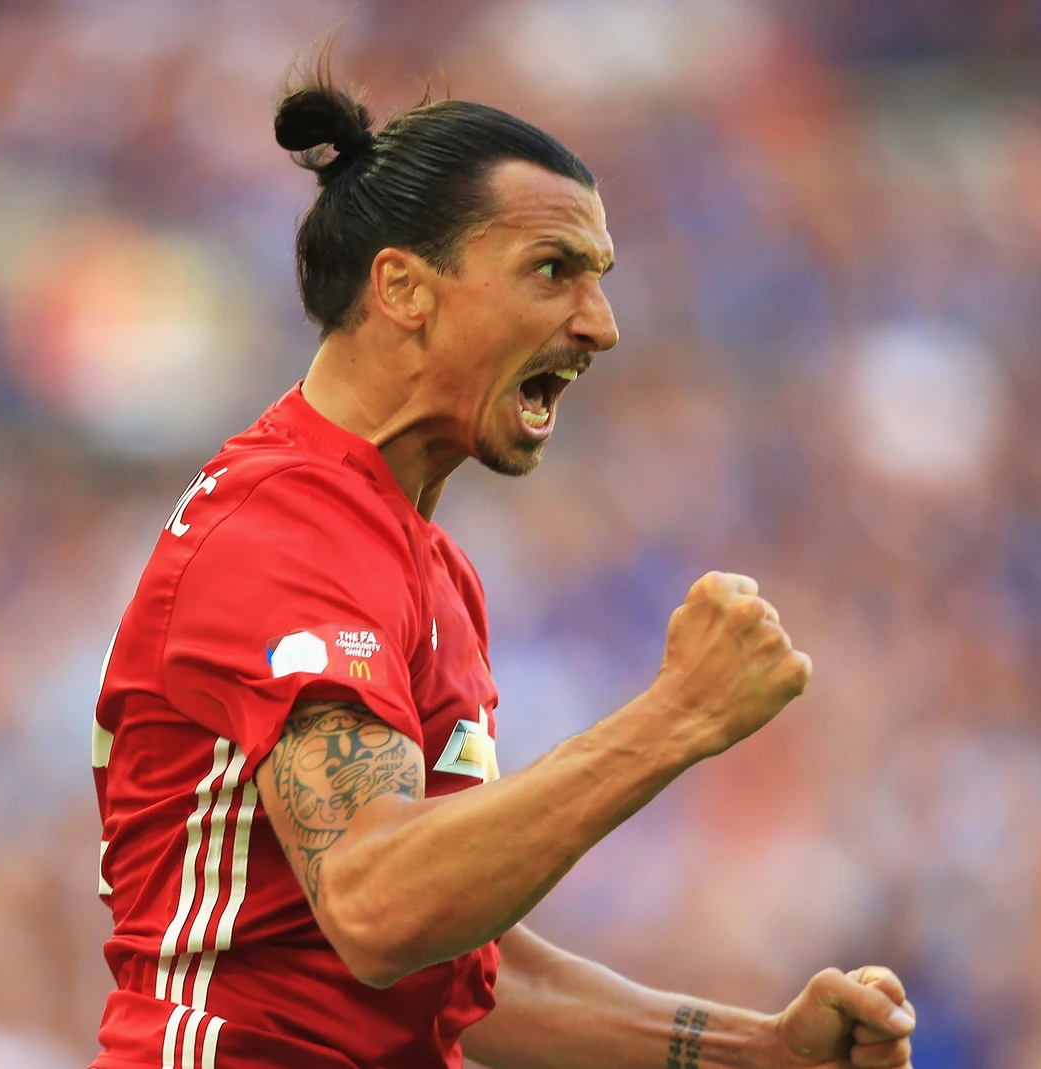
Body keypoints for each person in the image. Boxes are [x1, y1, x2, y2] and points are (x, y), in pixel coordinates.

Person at [88, 66, 916, 1069]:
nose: (601, 323)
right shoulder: (286, 526)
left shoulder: (422, 562)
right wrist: (678, 717)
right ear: (402, 288)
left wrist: (759, 1052)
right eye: (552, 270)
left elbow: (463, 974)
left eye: (599, 276)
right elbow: (377, 904)